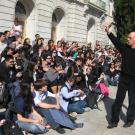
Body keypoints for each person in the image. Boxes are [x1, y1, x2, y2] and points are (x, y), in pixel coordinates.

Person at [105, 24, 135, 128]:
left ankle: (130, 120)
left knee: (132, 102)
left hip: (134, 80)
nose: (128, 39)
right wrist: (108, 32)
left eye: (130, 38)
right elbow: (116, 42)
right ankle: (114, 120)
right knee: (118, 100)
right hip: (123, 78)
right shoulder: (125, 48)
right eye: (128, 37)